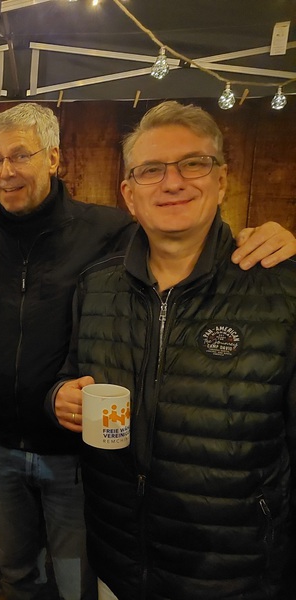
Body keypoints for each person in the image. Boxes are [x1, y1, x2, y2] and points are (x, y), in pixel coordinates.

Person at [0, 102, 296, 600]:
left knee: (76, 579)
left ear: (54, 158)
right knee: (16, 571)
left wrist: (268, 236)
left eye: (21, 155)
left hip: (77, 458)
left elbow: (182, 238)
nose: (6, 170)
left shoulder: (107, 232)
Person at [50, 100, 296, 599]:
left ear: (221, 181)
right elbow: (72, 372)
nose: (172, 182)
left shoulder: (281, 290)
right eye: (151, 170)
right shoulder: (96, 286)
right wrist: (59, 396)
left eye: (193, 163)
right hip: (119, 559)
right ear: (129, 194)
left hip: (232, 574)